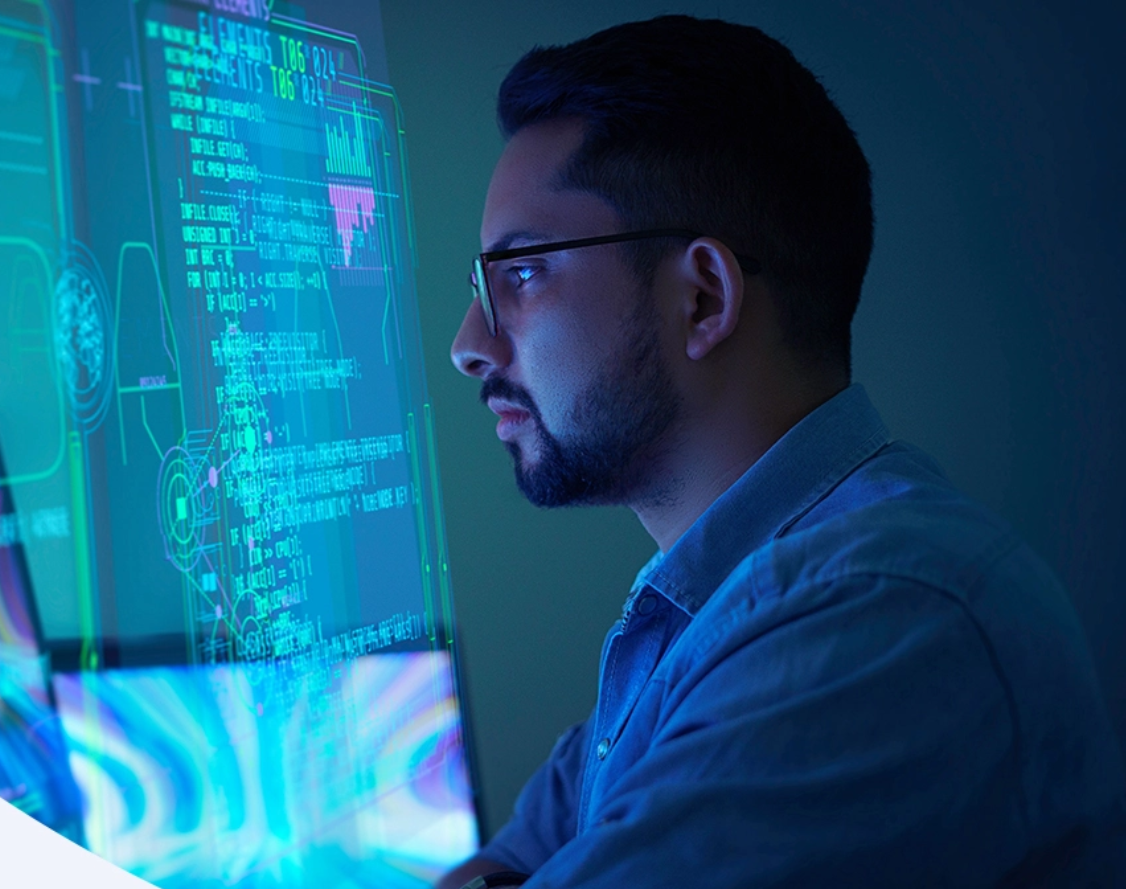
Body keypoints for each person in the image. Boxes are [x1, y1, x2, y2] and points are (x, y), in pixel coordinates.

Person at [438, 15, 1126, 889]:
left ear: (702, 299)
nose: (469, 343)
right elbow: (515, 857)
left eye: (522, 274)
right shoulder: (708, 611)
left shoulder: (881, 617)